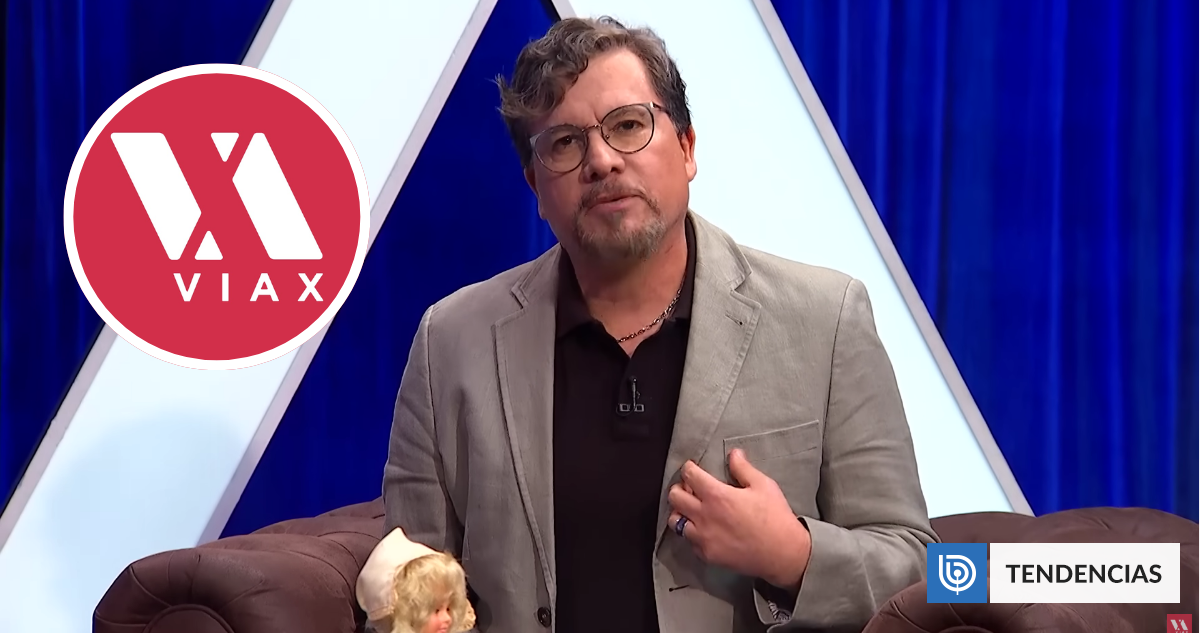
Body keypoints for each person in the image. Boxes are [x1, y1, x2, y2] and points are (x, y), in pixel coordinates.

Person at [382, 15, 937, 633]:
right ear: (535, 186)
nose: (601, 161)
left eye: (627, 125)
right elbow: (408, 588)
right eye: (564, 143)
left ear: (687, 147)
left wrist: (793, 555)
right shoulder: (450, 343)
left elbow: (915, 565)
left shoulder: (826, 319)